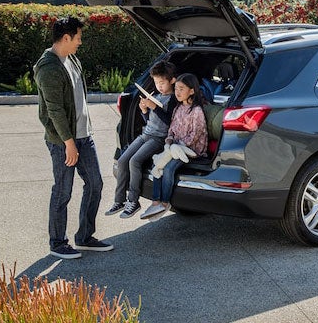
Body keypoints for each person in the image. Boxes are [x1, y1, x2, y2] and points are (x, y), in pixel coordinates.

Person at [33, 16, 113, 260]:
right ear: (66, 38)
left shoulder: (72, 59)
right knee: (63, 190)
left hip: (83, 136)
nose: (80, 42)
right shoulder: (48, 68)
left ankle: (85, 237)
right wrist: (68, 143)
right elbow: (54, 109)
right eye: (78, 37)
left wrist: (83, 132)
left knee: (95, 183)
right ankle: (57, 243)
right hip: (62, 141)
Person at [105, 61, 178, 219]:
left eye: (162, 82)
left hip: (159, 139)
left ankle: (133, 201)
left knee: (135, 161)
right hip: (146, 134)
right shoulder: (157, 96)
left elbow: (169, 121)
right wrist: (144, 110)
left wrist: (154, 107)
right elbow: (149, 121)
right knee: (123, 160)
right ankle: (119, 200)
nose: (158, 86)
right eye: (156, 82)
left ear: (172, 80)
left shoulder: (173, 100)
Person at [139, 73, 208, 221]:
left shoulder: (196, 111)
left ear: (192, 91)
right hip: (174, 147)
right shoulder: (178, 109)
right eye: (176, 88)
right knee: (158, 165)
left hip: (191, 150)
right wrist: (169, 141)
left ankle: (164, 203)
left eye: (181, 89)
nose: (177, 92)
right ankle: (155, 201)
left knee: (169, 168)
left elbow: (194, 136)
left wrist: (176, 145)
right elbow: (171, 129)